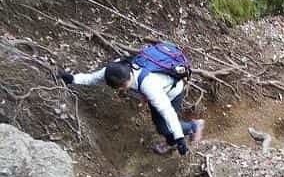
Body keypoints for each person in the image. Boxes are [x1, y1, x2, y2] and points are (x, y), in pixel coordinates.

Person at [58, 43, 204, 156]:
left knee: (165, 126)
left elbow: (167, 111)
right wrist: (71, 78)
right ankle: (171, 140)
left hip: (171, 93)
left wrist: (180, 139)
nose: (122, 90)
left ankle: (193, 127)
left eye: (123, 87)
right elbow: (93, 78)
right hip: (156, 92)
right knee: (161, 126)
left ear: (127, 79)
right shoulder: (116, 68)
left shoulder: (148, 84)